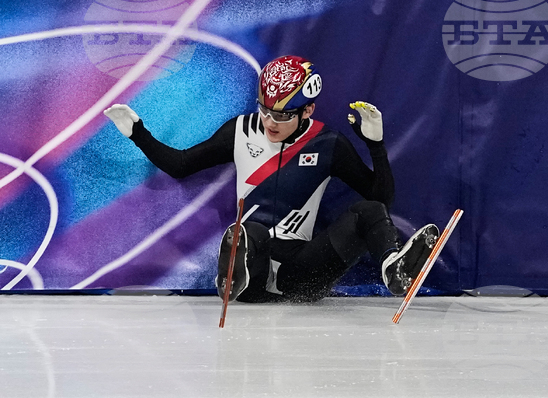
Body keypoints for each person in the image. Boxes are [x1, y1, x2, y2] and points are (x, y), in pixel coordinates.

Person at [103, 55, 438, 302]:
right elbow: (182, 165)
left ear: (307, 110)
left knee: (366, 210)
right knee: (251, 231)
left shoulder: (328, 143)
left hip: (302, 275)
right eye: (264, 110)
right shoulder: (242, 130)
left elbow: (381, 201)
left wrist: (375, 144)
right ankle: (236, 274)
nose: (269, 123)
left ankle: (394, 271)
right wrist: (137, 132)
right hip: (255, 270)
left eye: (280, 115)